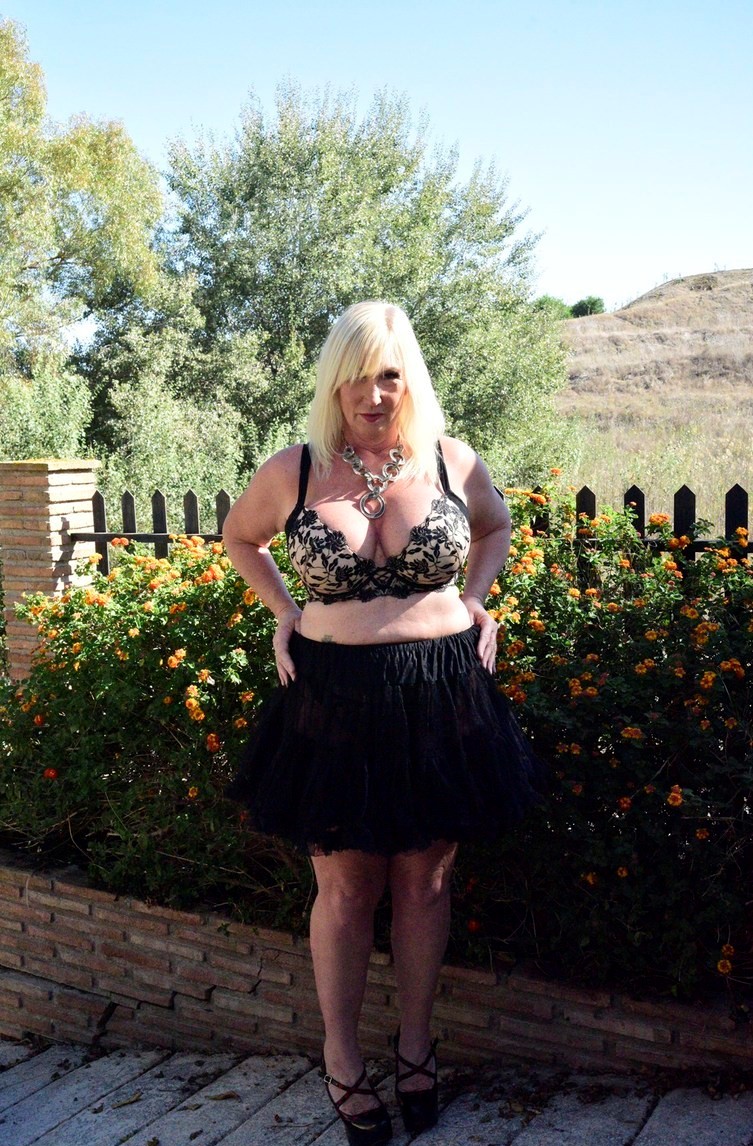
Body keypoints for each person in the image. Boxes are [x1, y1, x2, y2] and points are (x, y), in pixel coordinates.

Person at [222, 301, 543, 1146]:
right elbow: (241, 539)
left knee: (424, 883)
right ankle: (341, 1059)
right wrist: (284, 612)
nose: (373, 394)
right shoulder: (292, 470)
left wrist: (476, 600)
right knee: (345, 887)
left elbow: (495, 526)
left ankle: (415, 1050)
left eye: (389, 375)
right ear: (334, 383)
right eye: (357, 377)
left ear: (410, 380)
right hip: (332, 696)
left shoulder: (450, 461)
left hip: (442, 692)